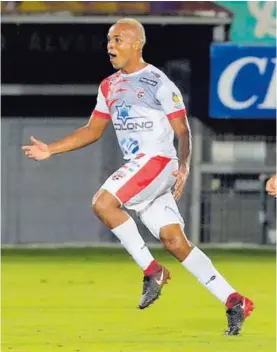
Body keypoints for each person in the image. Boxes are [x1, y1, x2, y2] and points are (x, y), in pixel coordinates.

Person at [22, 18, 254, 335]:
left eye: (118, 40)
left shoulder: (158, 82)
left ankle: (152, 271)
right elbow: (93, 130)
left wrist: (184, 165)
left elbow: (182, 129)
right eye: (108, 40)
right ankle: (235, 300)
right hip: (144, 171)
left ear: (136, 44)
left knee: (103, 204)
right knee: (175, 241)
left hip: (157, 161)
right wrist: (51, 149)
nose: (110, 46)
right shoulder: (108, 86)